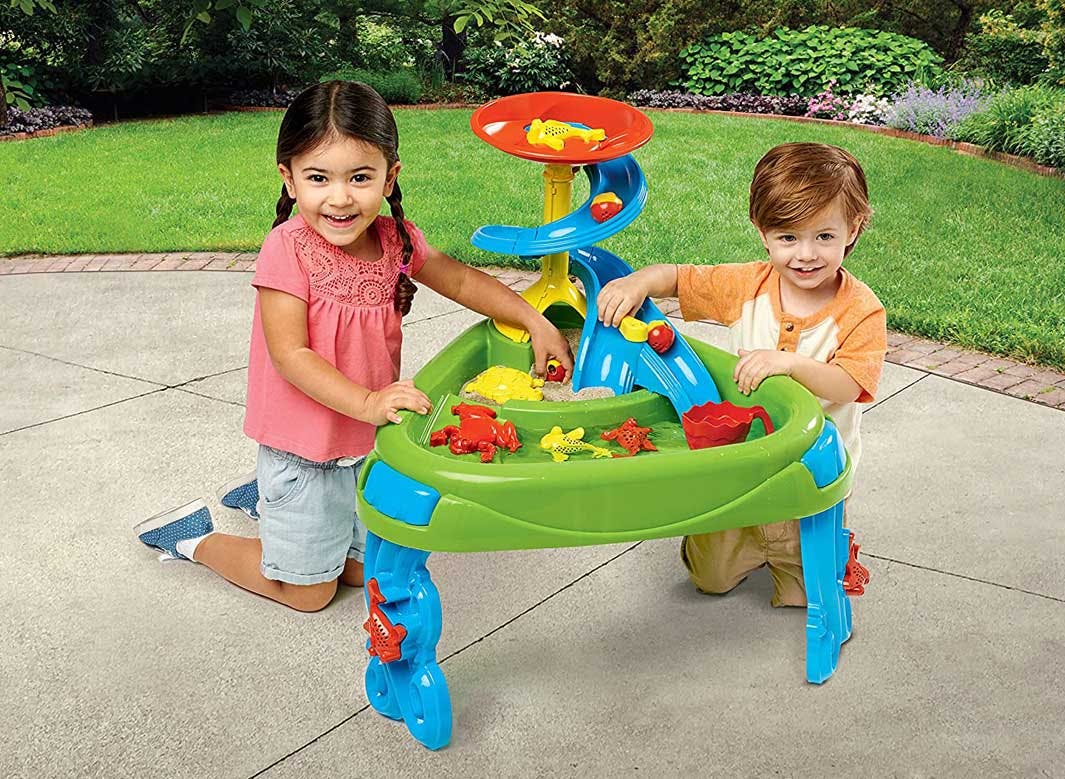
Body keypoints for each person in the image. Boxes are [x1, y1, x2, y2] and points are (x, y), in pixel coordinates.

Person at [135, 81, 573, 612]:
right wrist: (369, 402)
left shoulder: (395, 239)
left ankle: (270, 511)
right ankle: (195, 538)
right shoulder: (286, 250)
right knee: (310, 593)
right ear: (289, 179)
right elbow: (290, 355)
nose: (340, 198)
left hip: (365, 445)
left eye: (360, 178)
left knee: (370, 569)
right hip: (304, 449)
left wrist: (532, 317)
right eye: (319, 178)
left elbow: (458, 280)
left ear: (390, 177)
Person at [596, 142, 886, 607]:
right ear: (762, 231)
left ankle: (821, 550)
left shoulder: (861, 310)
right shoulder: (748, 285)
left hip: (808, 477)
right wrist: (639, 282)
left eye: (824, 237)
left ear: (852, 229)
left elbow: (850, 385)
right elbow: (680, 277)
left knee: (806, 594)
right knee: (708, 579)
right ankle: (729, 538)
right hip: (740, 465)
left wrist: (789, 364)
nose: (806, 255)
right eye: (787, 238)